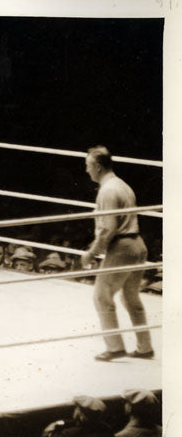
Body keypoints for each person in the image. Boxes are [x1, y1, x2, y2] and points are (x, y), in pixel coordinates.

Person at [81, 145, 154, 361]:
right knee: (131, 298)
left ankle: (114, 347)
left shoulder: (108, 190)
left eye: (88, 166)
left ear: (98, 167)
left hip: (122, 247)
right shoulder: (122, 185)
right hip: (138, 245)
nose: (87, 171)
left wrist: (91, 253)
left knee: (102, 297)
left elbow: (109, 228)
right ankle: (145, 347)